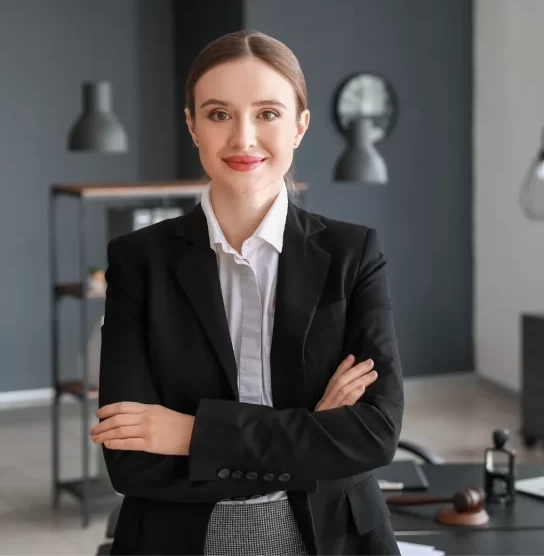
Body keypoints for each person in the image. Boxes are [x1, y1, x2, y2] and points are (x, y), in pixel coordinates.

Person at [88, 30, 404, 555]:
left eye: (267, 114)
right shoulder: (137, 262)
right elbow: (132, 461)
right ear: (192, 125)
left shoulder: (354, 255)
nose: (243, 138)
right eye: (218, 115)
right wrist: (310, 434)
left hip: (333, 535)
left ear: (300, 125)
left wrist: (191, 436)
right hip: (180, 538)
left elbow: (374, 435)